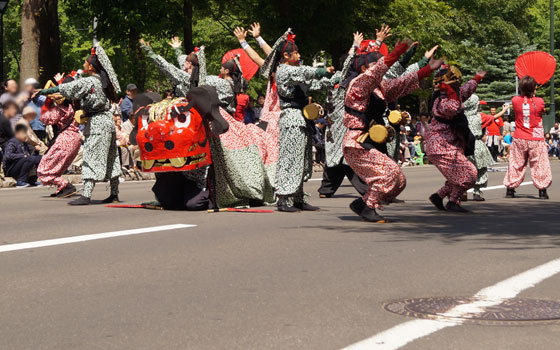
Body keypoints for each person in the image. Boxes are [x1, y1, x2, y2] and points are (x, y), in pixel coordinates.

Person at [343, 31, 444, 222]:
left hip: (371, 141)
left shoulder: (380, 87)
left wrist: (426, 70)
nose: (381, 68)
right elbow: (375, 73)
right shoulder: (357, 85)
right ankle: (367, 207)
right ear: (365, 68)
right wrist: (396, 52)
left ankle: (362, 203)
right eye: (376, 64)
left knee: (399, 181)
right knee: (390, 174)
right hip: (357, 142)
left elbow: (401, 83)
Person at [36, 43, 122, 205]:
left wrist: (43, 91)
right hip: (108, 121)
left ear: (90, 66)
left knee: (90, 157)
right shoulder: (102, 82)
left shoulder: (90, 81)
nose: (83, 65)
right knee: (112, 158)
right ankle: (114, 193)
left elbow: (67, 88)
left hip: (97, 122)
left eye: (85, 63)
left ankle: (86, 195)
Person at [270, 31, 339, 212]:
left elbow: (313, 83)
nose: (299, 56)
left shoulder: (296, 74)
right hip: (291, 118)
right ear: (286, 55)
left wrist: (332, 79)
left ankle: (298, 197)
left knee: (303, 159)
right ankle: (284, 199)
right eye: (296, 53)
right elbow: (304, 72)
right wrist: (320, 71)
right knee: (291, 158)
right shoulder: (284, 70)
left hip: (302, 118)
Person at [426, 65, 485, 213]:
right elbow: (453, 108)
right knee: (470, 173)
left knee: (459, 175)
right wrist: (450, 89)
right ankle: (451, 201)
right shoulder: (442, 101)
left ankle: (442, 197)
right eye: (455, 80)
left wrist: (477, 78)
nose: (458, 82)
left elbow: (465, 91)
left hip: (449, 143)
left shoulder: (452, 94)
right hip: (441, 145)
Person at [318, 31, 368, 199]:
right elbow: (347, 64)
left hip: (333, 124)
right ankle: (365, 190)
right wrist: (354, 46)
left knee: (335, 158)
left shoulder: (332, 78)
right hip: (342, 124)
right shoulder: (342, 78)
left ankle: (326, 189)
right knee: (348, 157)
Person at [504, 75, 552, 199]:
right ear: (533, 88)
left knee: (516, 162)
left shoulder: (515, 100)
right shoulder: (539, 101)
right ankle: (542, 190)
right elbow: (541, 110)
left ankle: (510, 188)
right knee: (539, 164)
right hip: (536, 138)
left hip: (520, 136)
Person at [37, 73, 81, 197]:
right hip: (75, 140)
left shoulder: (62, 109)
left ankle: (66, 185)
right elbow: (68, 89)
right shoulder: (76, 103)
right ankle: (62, 188)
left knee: (43, 170)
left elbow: (44, 119)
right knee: (57, 169)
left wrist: (46, 102)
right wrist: (60, 81)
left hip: (65, 141)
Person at [464, 94, 494, 201]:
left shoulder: (461, 116)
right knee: (480, 169)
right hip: (477, 144)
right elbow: (494, 117)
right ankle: (476, 192)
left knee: (465, 169)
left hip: (464, 145)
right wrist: (504, 110)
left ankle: (461, 192)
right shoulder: (479, 116)